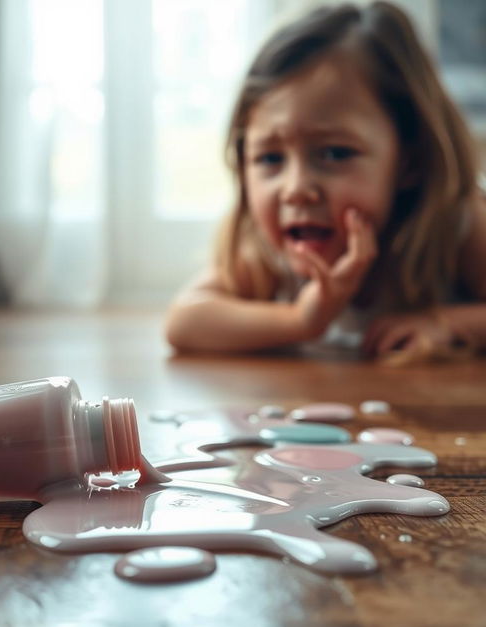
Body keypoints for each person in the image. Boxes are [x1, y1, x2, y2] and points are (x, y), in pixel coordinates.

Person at [165, 1, 486, 362]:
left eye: (334, 154)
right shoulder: (264, 250)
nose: (296, 189)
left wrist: (444, 322)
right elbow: (185, 321)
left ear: (409, 160)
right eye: (270, 158)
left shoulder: (456, 223)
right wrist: (301, 319)